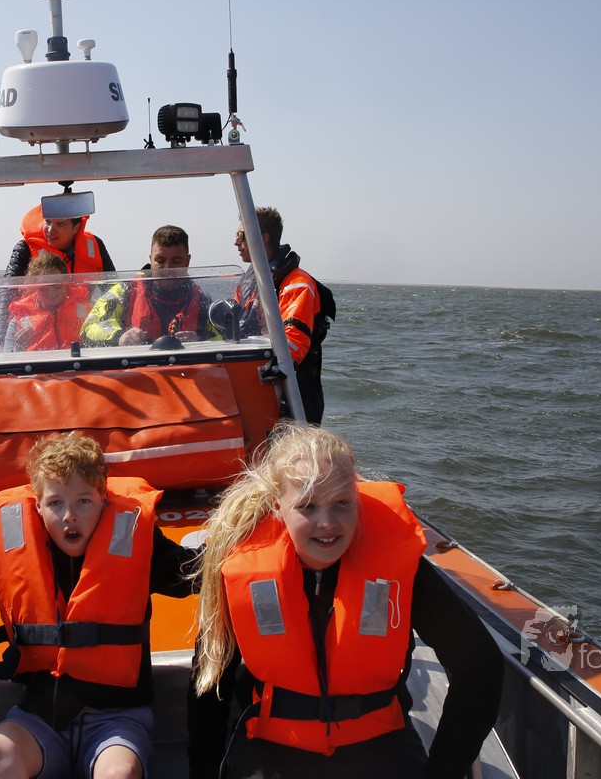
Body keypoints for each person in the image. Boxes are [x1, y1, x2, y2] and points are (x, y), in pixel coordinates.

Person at [189, 423, 502, 779]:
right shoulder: (240, 567)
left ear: (357, 499)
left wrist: (444, 770)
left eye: (341, 503)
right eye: (307, 506)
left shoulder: (401, 567)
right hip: (272, 743)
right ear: (278, 505)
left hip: (380, 744)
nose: (327, 523)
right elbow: (209, 683)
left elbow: (480, 666)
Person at [0, 433, 196, 779]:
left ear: (104, 498)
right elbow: (10, 558)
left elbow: (192, 573)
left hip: (115, 720)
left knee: (118, 775)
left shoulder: (138, 542)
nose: (69, 516)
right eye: (56, 503)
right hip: (41, 719)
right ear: (38, 506)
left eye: (84, 501)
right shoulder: (32, 538)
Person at [233, 208, 334, 424]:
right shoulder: (246, 283)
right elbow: (236, 330)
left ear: (263, 238)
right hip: (255, 387)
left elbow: (294, 343)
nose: (235, 242)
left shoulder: (298, 283)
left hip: (294, 396)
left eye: (240, 235)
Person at [0, 204, 115, 350]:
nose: (51, 230)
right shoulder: (24, 249)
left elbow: (114, 291)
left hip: (79, 328)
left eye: (60, 224)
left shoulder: (95, 246)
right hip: (34, 331)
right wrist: (0, 341)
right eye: (48, 222)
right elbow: (6, 292)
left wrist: (119, 334)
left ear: (76, 228)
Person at [81, 224, 219, 346]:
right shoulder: (124, 292)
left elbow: (223, 337)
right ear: (150, 259)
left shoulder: (203, 302)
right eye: (160, 260)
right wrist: (120, 337)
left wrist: (201, 340)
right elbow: (89, 328)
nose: (167, 268)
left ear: (187, 261)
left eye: (176, 261)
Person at [3, 252, 91, 352]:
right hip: (39, 362)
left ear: (66, 282)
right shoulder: (20, 317)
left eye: (57, 286)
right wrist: (18, 346)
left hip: (75, 361)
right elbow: (7, 356)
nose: (51, 292)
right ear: (35, 287)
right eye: (43, 288)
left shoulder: (84, 309)